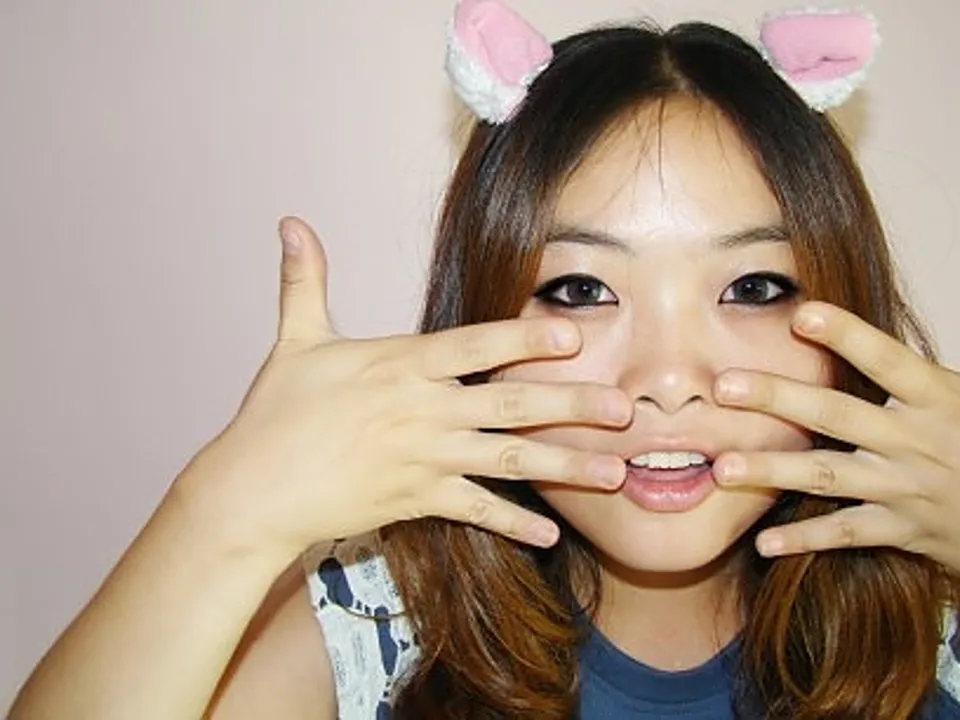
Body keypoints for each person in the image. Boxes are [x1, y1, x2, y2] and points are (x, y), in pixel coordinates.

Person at [9, 2, 960, 718]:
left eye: (752, 287)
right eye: (580, 289)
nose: (670, 380)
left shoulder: (938, 614)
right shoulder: (378, 627)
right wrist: (224, 513)